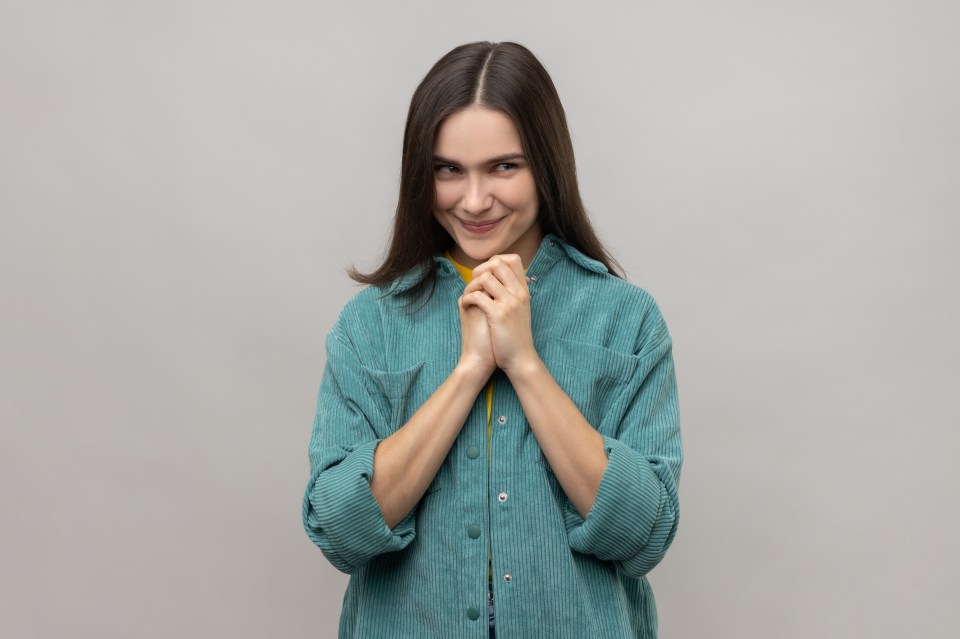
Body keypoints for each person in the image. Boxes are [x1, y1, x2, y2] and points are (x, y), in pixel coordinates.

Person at [302, 41, 682, 639]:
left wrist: (525, 363)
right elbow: (340, 531)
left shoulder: (627, 320)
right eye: (448, 169)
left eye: (504, 166)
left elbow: (644, 535)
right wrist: (468, 371)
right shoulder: (368, 326)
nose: (474, 200)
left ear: (547, 163)